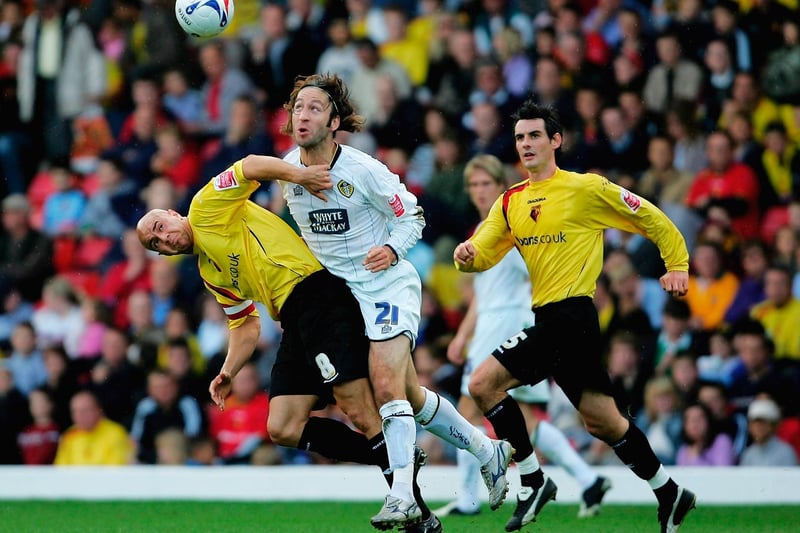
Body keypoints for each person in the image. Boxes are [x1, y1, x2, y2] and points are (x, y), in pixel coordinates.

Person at [135, 157, 441, 533]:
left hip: (317, 293)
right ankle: (397, 457)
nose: (164, 238)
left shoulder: (205, 206)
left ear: (171, 212)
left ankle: (418, 514)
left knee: (359, 409)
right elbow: (244, 324)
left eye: (159, 227)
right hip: (293, 320)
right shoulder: (209, 273)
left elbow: (248, 167)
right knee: (282, 425)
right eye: (155, 244)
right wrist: (228, 371)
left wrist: (300, 175)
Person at [277, 73, 512, 530]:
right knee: (408, 396)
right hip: (342, 297)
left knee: (385, 387)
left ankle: (402, 496)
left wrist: (392, 248)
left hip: (386, 284)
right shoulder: (289, 170)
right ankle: (490, 450)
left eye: (314, 108)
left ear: (334, 122)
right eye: (297, 107)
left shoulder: (363, 169)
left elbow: (413, 215)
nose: (302, 115)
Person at [453, 101, 696, 532]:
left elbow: (650, 216)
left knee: (481, 384)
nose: (526, 144)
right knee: (603, 421)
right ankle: (670, 492)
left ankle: (531, 479)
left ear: (555, 141)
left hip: (573, 315)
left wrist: (676, 264)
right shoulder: (510, 201)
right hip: (551, 317)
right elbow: (484, 252)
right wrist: (466, 257)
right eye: (520, 138)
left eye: (534, 136)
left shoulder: (585, 188)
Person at [441, 154, 611, 518]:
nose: (478, 191)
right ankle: (587, 479)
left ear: (500, 185)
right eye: (473, 185)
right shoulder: (485, 228)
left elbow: (537, 271)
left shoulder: (513, 226)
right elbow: (483, 295)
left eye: (486, 183)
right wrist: (462, 336)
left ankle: (470, 497)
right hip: (491, 322)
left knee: (470, 406)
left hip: (508, 324)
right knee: (525, 421)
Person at [54, 389, 133, 465]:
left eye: (85, 410)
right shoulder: (69, 435)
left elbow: (115, 469)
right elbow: (60, 470)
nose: (80, 416)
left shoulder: (115, 433)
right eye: (75, 411)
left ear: (98, 410)